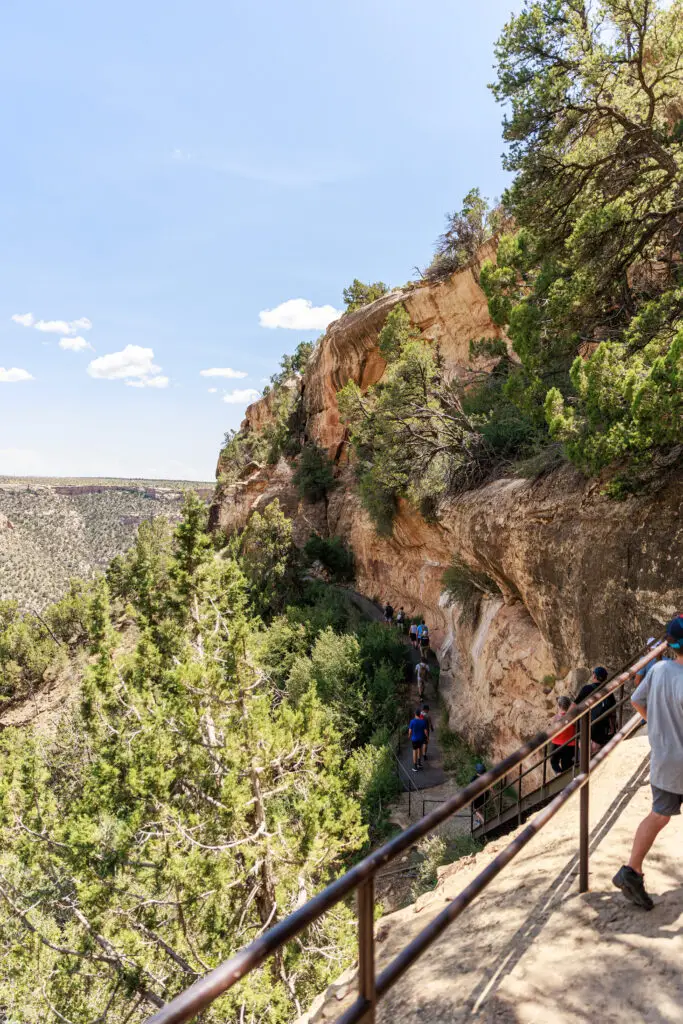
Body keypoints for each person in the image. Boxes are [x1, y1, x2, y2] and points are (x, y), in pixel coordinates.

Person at [613, 617, 683, 910]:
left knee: (658, 815)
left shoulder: (658, 669)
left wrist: (656, 725)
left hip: (663, 758)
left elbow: (636, 701)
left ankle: (631, 870)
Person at [571, 666, 616, 749]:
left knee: (584, 753)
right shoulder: (609, 692)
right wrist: (612, 727)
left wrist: (568, 719)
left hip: (586, 726)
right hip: (601, 728)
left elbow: (574, 706)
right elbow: (613, 712)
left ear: (594, 676)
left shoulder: (587, 689)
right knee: (597, 754)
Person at [549, 695, 576, 774]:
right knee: (567, 765)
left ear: (559, 706)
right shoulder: (572, 718)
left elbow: (551, 731)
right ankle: (566, 778)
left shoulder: (555, 718)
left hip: (556, 744)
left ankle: (558, 773)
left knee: (554, 762)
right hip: (570, 744)